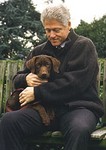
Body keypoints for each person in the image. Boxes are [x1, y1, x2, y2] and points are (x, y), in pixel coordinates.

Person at [0, 3, 104, 150]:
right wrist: (25, 79)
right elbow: (19, 77)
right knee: (9, 121)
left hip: (79, 108)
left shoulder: (83, 46)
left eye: (56, 30)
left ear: (68, 25)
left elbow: (75, 83)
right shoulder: (39, 50)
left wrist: (37, 92)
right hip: (46, 111)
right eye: (47, 30)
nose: (51, 35)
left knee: (78, 129)